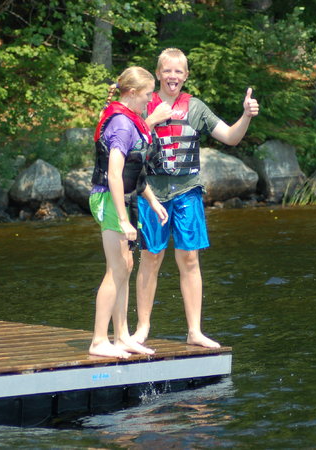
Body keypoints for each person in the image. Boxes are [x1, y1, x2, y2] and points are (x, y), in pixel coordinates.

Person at [134, 48, 259, 348]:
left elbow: (231, 137)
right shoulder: (144, 105)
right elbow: (128, 142)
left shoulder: (196, 108)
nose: (172, 76)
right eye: (167, 70)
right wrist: (151, 120)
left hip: (187, 192)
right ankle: (142, 328)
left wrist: (246, 115)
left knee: (190, 258)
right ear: (158, 73)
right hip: (151, 193)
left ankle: (194, 331)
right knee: (151, 257)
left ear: (186, 76)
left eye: (178, 71)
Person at [89, 66, 169, 359]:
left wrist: (153, 201)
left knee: (126, 265)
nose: (150, 100)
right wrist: (123, 219)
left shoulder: (130, 119)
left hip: (122, 199)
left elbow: (133, 172)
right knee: (117, 268)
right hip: (109, 200)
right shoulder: (122, 124)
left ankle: (121, 336)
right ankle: (99, 340)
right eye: (148, 94)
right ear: (133, 93)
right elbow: (114, 174)